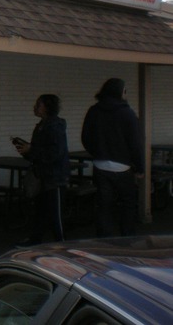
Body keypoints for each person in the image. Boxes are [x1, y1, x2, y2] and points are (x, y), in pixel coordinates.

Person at [81, 78, 145, 237]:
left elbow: (86, 137)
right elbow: (135, 143)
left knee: (104, 205)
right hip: (123, 166)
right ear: (120, 92)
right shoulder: (127, 113)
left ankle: (104, 238)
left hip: (101, 165)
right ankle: (127, 236)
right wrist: (140, 167)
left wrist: (97, 152)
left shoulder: (94, 111)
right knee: (128, 203)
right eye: (125, 91)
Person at [14, 94, 69, 247]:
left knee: (55, 214)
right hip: (43, 176)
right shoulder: (41, 126)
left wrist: (31, 149)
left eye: (38, 105)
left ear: (46, 108)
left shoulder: (54, 126)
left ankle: (63, 243)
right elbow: (41, 152)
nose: (35, 107)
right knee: (40, 211)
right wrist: (26, 151)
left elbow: (54, 153)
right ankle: (36, 239)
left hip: (54, 177)